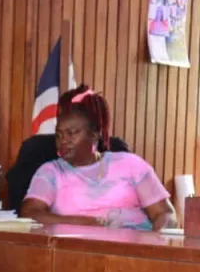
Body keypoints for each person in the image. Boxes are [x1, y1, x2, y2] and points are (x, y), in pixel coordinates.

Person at [19, 84, 177, 231]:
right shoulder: (51, 172)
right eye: (59, 135)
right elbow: (30, 214)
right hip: (73, 254)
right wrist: (90, 223)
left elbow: (165, 214)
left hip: (134, 253)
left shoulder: (130, 164)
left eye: (72, 133)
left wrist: (155, 242)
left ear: (94, 136)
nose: (63, 140)